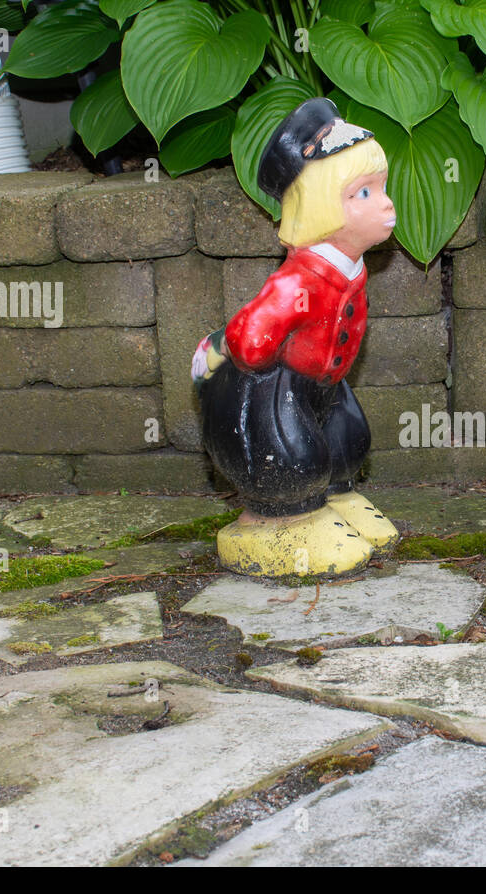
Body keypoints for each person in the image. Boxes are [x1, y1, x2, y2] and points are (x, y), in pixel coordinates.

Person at [191, 98, 399, 577]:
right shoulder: (297, 281)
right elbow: (251, 341)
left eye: (381, 188)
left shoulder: (348, 267)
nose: (386, 203)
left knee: (347, 438)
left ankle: (334, 495)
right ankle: (284, 516)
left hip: (322, 382)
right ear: (323, 207)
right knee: (289, 455)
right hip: (270, 388)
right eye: (363, 194)